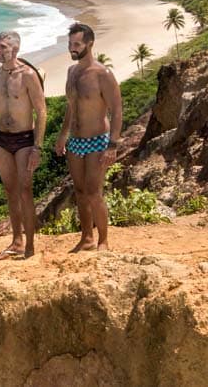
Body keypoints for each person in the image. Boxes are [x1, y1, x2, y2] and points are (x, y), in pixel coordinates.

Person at [54, 23, 123, 252]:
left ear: (89, 44)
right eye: (70, 44)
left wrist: (112, 145)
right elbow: (71, 107)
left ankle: (103, 240)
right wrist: (63, 135)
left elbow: (117, 111)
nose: (72, 48)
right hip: (75, 141)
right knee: (80, 192)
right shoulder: (71, 72)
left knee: (94, 192)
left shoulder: (103, 74)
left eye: (76, 44)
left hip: (97, 141)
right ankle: (86, 238)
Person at [0, 31, 47, 259]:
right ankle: (16, 241)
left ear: (15, 50)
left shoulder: (28, 75)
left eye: (2, 47)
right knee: (10, 192)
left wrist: (37, 147)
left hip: (24, 140)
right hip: (3, 139)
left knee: (25, 191)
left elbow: (41, 112)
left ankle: (30, 246)